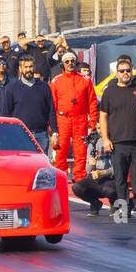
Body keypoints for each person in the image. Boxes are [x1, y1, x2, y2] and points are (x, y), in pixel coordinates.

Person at [99, 58, 136, 218]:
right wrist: (105, 139)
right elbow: (103, 117)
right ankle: (122, 208)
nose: (126, 73)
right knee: (120, 178)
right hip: (117, 142)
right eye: (122, 71)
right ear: (116, 73)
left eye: (128, 70)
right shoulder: (109, 91)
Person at [50, 50, 98, 179]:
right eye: (67, 61)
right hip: (62, 120)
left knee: (80, 151)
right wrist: (52, 127)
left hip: (80, 119)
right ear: (63, 64)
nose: (70, 63)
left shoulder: (86, 80)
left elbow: (92, 102)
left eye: (72, 61)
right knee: (61, 150)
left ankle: (80, 177)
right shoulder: (56, 81)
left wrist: (92, 122)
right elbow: (52, 105)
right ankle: (61, 177)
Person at [2, 55, 55, 157]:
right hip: (19, 135)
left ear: (34, 67)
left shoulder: (44, 87)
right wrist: (7, 133)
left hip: (41, 135)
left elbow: (51, 111)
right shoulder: (12, 88)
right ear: (20, 69)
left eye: (30, 66)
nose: (28, 69)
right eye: (25, 67)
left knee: (40, 167)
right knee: (21, 167)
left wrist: (55, 132)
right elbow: (6, 113)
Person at [72, 152, 119, 218]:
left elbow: (119, 169)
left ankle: (114, 203)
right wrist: (91, 165)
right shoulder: (92, 144)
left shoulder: (113, 145)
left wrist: (104, 172)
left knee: (110, 190)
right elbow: (88, 171)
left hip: (110, 178)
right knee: (77, 187)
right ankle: (95, 203)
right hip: (95, 178)